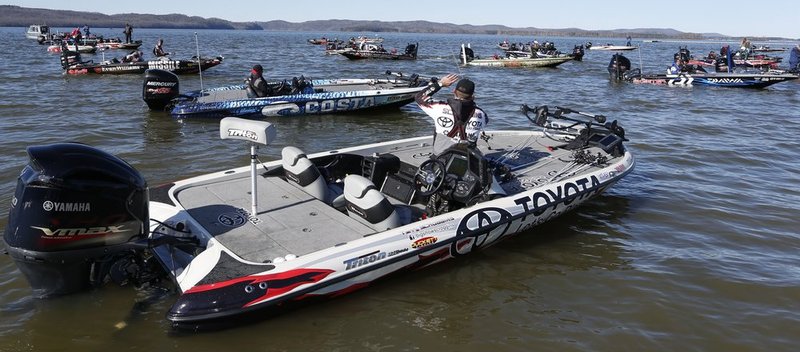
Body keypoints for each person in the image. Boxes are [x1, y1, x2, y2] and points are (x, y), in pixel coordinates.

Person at [415, 74, 488, 155]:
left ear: (454, 91)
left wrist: (440, 84)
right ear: (473, 95)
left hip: (441, 156)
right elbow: (485, 121)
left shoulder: (439, 108)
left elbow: (419, 97)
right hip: (467, 157)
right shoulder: (481, 114)